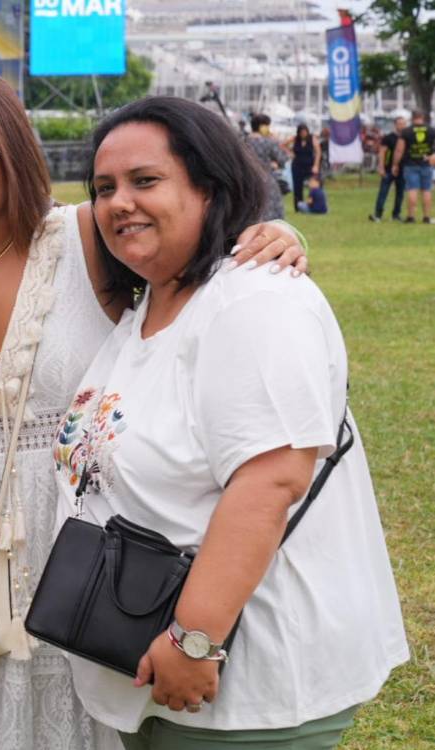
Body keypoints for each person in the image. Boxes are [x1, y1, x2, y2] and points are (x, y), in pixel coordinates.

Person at [0, 68, 306, 750]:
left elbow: (197, 256)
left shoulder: (85, 235)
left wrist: (275, 235)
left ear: (12, 152)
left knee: (85, 714)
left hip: (84, 536)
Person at [63, 95, 407, 749]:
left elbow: (271, 480)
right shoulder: (152, 302)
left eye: (145, 181)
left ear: (209, 186)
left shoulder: (253, 301)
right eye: (103, 188)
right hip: (153, 671)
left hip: (247, 681)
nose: (117, 203)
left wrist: (194, 638)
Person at [392, 110, 434, 224]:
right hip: (427, 164)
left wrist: (395, 164)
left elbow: (399, 150)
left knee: (412, 190)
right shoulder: (431, 130)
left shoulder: (406, 131)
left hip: (410, 165)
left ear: (412, 117)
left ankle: (411, 217)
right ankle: (426, 217)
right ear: (423, 116)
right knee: (426, 190)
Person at [244, 114, 287, 220]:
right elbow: (282, 159)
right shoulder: (268, 142)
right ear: (263, 127)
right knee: (270, 214)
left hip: (246, 181)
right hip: (266, 180)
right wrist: (275, 140)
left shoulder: (243, 141)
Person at [370, 116, 407, 222]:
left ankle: (396, 214)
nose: (402, 126)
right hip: (388, 169)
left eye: (404, 123)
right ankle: (378, 214)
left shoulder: (407, 137)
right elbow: (382, 152)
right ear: (395, 125)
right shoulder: (388, 138)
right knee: (383, 191)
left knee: (400, 193)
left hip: (402, 169)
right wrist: (381, 167)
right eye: (400, 123)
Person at [283, 123, 320, 213]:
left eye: (305, 132)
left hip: (309, 165)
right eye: (301, 132)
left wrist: (316, 165)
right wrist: (290, 153)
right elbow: (283, 145)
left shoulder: (312, 138)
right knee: (297, 187)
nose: (303, 134)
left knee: (314, 185)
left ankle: (315, 205)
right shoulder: (295, 139)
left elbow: (318, 152)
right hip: (297, 165)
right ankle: (298, 207)